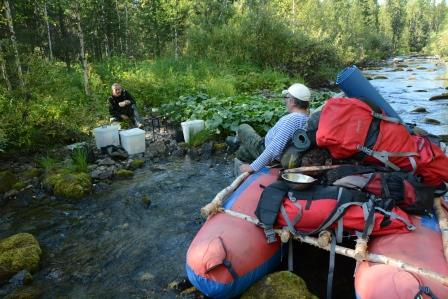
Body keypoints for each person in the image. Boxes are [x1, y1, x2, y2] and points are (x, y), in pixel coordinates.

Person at [236, 83, 311, 174]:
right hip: (282, 153)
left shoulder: (293, 119)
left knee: (243, 127)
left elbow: (274, 149)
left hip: (264, 149)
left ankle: (236, 141)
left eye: (286, 98)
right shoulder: (309, 115)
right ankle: (238, 147)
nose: (285, 101)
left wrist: (252, 167)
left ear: (292, 101)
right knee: (242, 152)